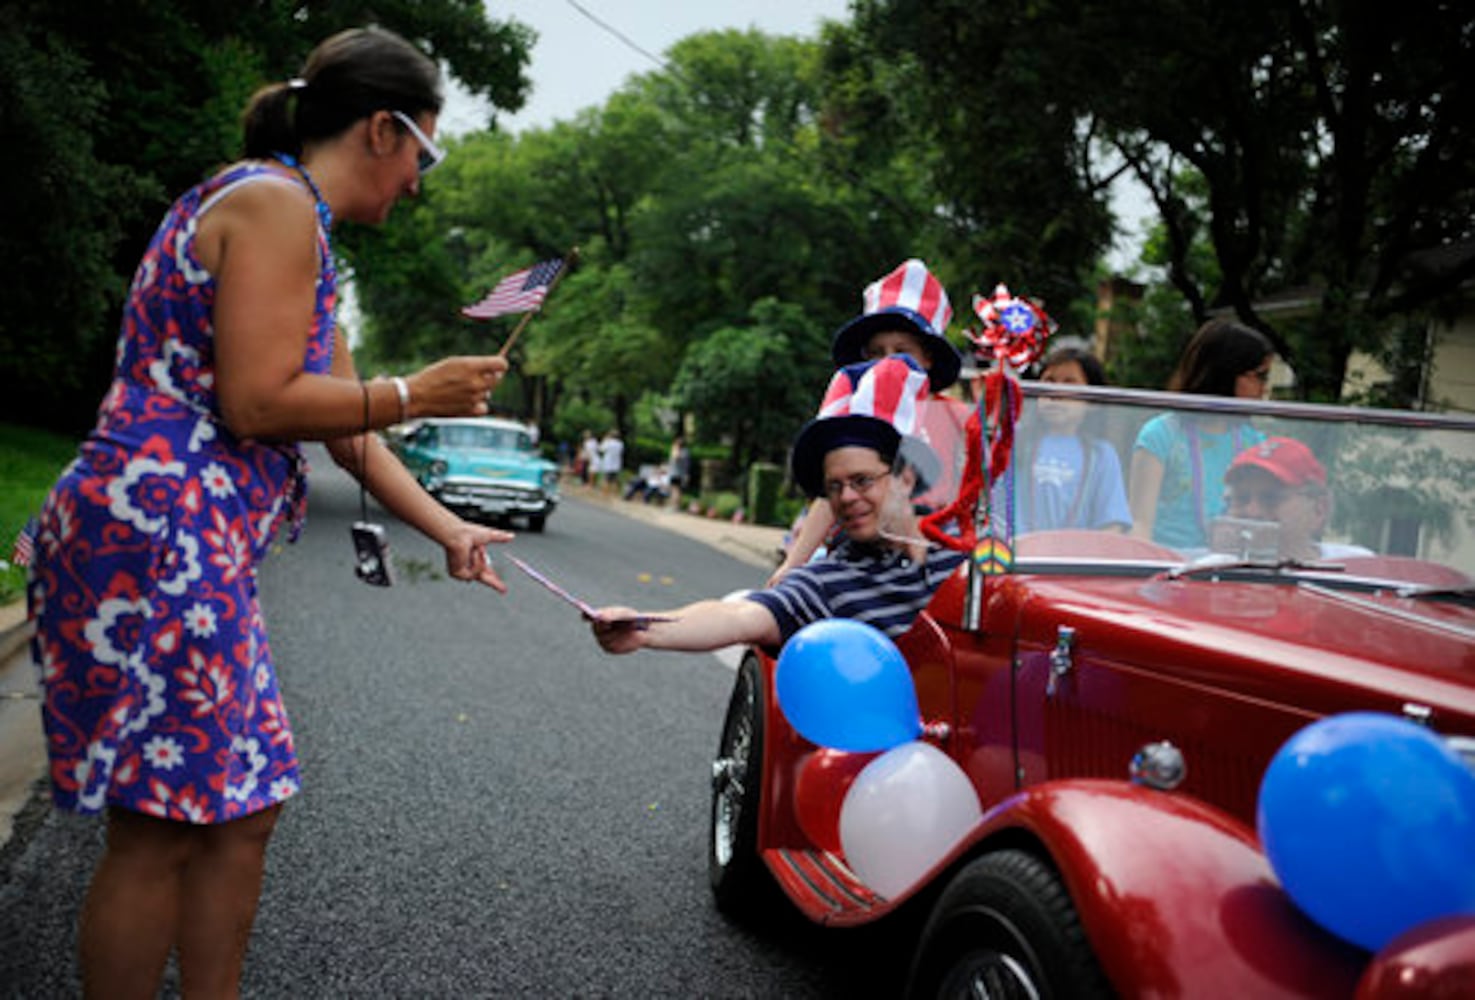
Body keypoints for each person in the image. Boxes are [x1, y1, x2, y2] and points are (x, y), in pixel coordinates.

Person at [23, 27, 515, 999]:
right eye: (425, 147)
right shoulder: (275, 205)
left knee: (241, 808)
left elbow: (342, 428)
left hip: (174, 539)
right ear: (381, 129)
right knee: (161, 825)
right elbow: (258, 402)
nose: (419, 179)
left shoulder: (295, 223)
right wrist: (413, 389)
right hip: (160, 533)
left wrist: (448, 528)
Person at [592, 355, 965, 654]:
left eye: (862, 481)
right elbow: (740, 616)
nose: (847, 497)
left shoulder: (970, 552)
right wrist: (644, 629)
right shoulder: (829, 582)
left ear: (906, 478)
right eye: (833, 487)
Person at [768, 259, 964, 585]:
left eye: (903, 351)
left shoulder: (955, 417)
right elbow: (833, 489)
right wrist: (793, 563)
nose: (891, 362)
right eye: (878, 352)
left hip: (935, 564)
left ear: (928, 357)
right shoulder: (852, 395)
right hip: (860, 554)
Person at [1129, 319, 1273, 551]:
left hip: (1232, 569)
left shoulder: (1255, 442)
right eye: (1260, 376)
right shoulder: (1160, 435)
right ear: (1226, 373)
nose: (1264, 388)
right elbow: (1140, 523)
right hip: (1170, 570)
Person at [1018, 346, 1131, 533]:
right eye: (1049, 382)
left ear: (1093, 402)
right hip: (1017, 556)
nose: (1055, 393)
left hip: (1075, 558)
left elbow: (1112, 524)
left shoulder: (1101, 454)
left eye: (1069, 384)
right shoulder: (1014, 442)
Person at [1221, 437, 1374, 560]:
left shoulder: (1356, 566)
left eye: (1271, 498)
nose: (1252, 512)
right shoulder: (1209, 572)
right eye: (1241, 498)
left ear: (1319, 510)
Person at [667, 435, 692, 511]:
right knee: (678, 491)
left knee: (675, 490)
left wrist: (675, 449)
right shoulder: (686, 452)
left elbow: (676, 458)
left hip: (676, 473)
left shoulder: (679, 451)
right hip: (681, 474)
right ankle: (677, 506)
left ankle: (674, 507)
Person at [598, 428, 625, 496]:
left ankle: (605, 493)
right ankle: (614, 493)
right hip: (616, 464)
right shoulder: (621, 444)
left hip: (608, 463)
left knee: (606, 479)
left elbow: (601, 449)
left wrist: (604, 440)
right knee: (614, 480)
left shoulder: (608, 442)